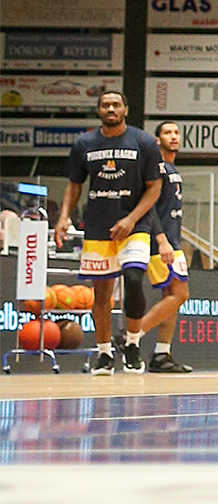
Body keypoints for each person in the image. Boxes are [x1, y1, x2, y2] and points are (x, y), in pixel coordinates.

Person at [53, 89, 161, 374]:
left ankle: (133, 342)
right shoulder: (85, 143)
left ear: (125, 110)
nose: (110, 109)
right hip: (99, 225)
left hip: (134, 225)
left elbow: (155, 188)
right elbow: (74, 185)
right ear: (98, 111)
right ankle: (104, 353)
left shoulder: (144, 142)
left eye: (116, 104)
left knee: (134, 278)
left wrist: (132, 218)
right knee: (101, 292)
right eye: (105, 105)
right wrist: (64, 217)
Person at [130, 118, 194, 374]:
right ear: (157, 140)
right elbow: (150, 207)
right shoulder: (155, 168)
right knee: (181, 294)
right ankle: (132, 336)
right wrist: (161, 238)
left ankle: (161, 354)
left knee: (172, 297)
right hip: (161, 241)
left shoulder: (172, 168)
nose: (174, 136)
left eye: (177, 132)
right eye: (168, 132)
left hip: (173, 240)